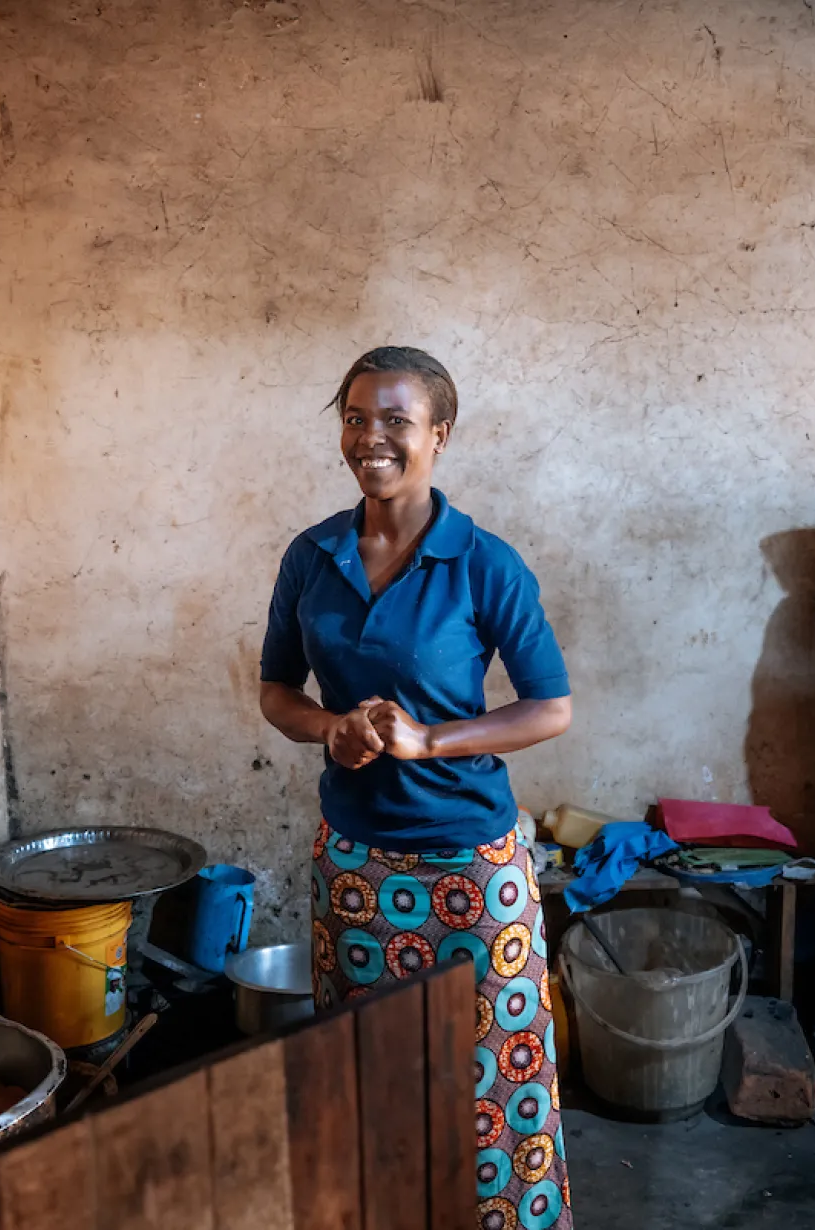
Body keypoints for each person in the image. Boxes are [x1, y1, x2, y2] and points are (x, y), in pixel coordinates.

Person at [259, 346, 574, 1230]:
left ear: (439, 435)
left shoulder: (483, 563)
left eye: (396, 420)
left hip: (473, 871)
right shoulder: (312, 557)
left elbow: (550, 707)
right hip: (358, 869)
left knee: (495, 1089)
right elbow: (277, 691)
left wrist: (431, 740)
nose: (372, 439)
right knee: (369, 1080)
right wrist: (331, 729)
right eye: (356, 418)